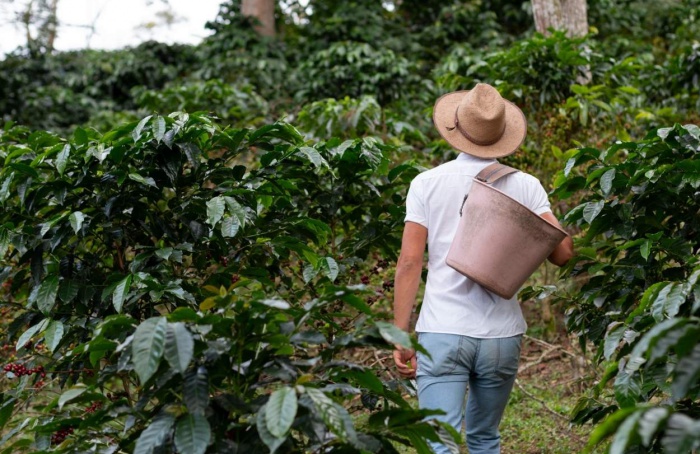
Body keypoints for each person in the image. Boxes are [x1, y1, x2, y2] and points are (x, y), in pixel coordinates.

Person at [392, 83, 574, 454]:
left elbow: (411, 261)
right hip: (501, 335)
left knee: (438, 444)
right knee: (484, 439)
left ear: (455, 130)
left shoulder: (426, 183)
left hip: (442, 328)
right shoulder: (526, 185)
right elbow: (564, 254)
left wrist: (400, 333)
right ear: (502, 137)